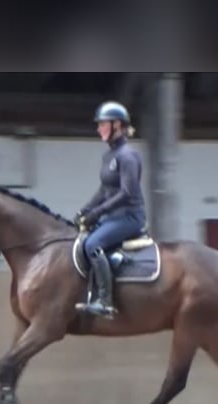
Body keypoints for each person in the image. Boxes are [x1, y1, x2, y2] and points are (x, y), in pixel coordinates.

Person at [74, 101, 147, 318]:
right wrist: (84, 210)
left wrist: (97, 213)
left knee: (93, 244)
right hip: (113, 216)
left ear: (117, 125)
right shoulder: (109, 157)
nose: (99, 129)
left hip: (129, 216)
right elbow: (104, 191)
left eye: (103, 124)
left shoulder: (128, 156)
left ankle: (105, 301)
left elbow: (127, 193)